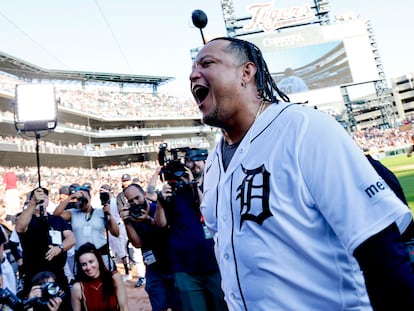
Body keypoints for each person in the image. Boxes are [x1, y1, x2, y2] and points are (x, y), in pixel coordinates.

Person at [189, 37, 414, 310]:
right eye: (192, 67)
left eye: (207, 63)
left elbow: (382, 252)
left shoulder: (304, 128)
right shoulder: (213, 161)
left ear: (246, 73)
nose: (192, 74)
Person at [154, 161, 228, 311]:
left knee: (222, 306)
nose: (180, 178)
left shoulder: (208, 187)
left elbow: (207, 212)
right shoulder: (170, 195)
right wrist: (161, 201)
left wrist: (193, 185)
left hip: (213, 264)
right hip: (184, 267)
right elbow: (160, 224)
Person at [123, 182, 181, 311]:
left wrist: (148, 219)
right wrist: (127, 222)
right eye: (131, 201)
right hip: (153, 269)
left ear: (144, 194)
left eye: (137, 198)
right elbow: (137, 244)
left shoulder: (158, 207)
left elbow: (164, 228)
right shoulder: (133, 218)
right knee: (159, 307)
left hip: (173, 265)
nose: (135, 203)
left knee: (179, 305)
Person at [15, 187, 75, 310]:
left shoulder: (57, 220)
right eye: (38, 196)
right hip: (34, 277)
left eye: (45, 196)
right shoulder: (27, 219)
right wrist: (33, 202)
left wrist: (60, 248)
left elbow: (71, 239)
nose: (42, 199)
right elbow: (20, 227)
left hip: (57, 275)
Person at [53, 185, 119, 271]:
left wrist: (109, 215)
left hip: (101, 255)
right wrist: (71, 197)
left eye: (84, 198)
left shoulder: (101, 212)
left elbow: (116, 233)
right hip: (82, 258)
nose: (82, 201)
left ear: (90, 198)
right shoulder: (73, 213)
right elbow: (55, 215)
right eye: (79, 199)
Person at [71, 242, 128, 311]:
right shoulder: (78, 288)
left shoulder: (114, 278)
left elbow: (124, 308)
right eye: (84, 264)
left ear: (98, 260)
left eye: (91, 261)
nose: (88, 267)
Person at [116, 174, 146, 287]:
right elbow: (120, 211)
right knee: (134, 252)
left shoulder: (137, 192)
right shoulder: (120, 196)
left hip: (143, 222)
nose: (126, 182)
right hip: (129, 225)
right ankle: (141, 275)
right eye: (124, 181)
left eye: (128, 180)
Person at [99, 184, 131, 282]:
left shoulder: (114, 201)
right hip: (112, 227)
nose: (101, 193)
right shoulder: (107, 202)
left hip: (118, 226)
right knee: (113, 250)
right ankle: (116, 271)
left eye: (103, 191)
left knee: (121, 251)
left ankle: (127, 273)